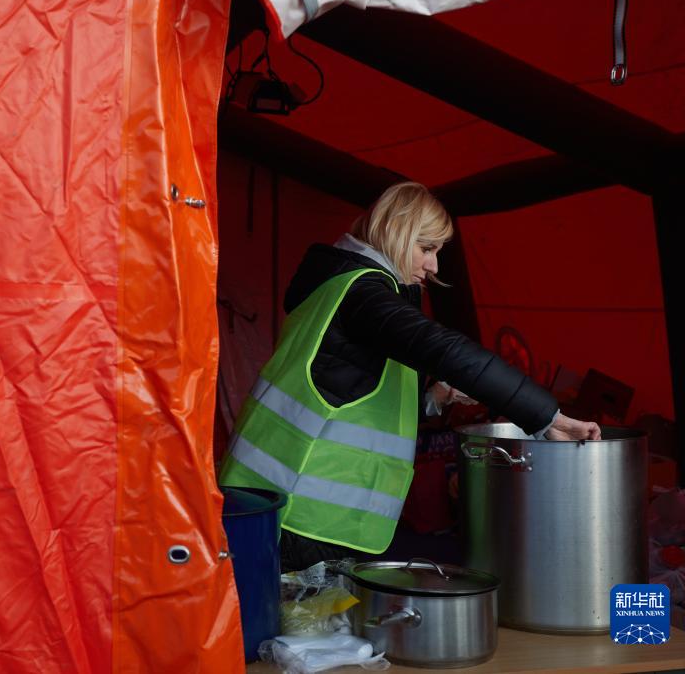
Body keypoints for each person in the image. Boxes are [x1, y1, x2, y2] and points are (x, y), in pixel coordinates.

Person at [218, 182, 600, 570]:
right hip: (300, 514)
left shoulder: (337, 287)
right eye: (426, 248)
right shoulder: (364, 294)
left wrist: (434, 397)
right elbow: (445, 348)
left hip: (279, 503)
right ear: (395, 232)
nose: (434, 266)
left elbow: (350, 393)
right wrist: (545, 417)